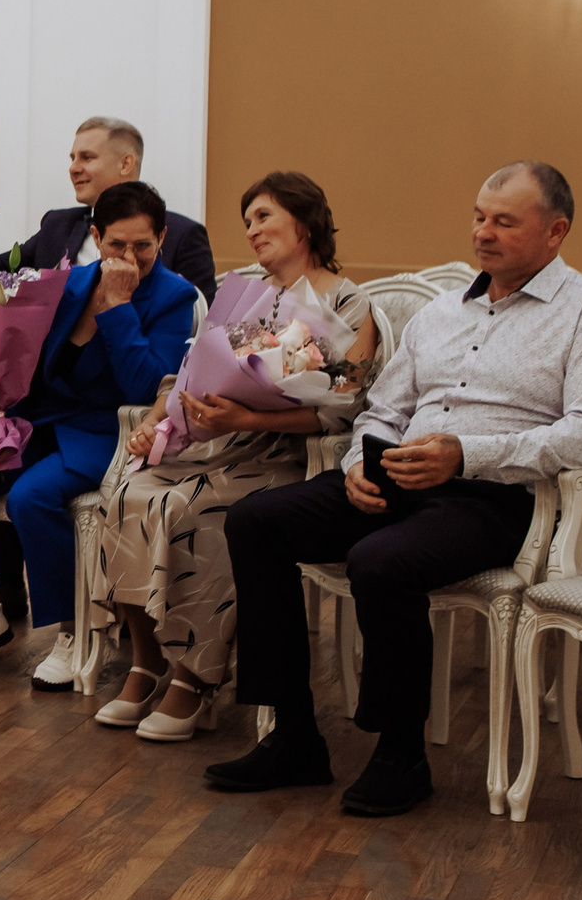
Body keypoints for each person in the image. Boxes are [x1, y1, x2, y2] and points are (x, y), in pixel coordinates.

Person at [204, 161, 582, 817]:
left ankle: (400, 752)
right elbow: (382, 407)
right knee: (256, 520)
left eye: (504, 221)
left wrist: (466, 453)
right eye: (478, 216)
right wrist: (356, 462)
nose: (483, 232)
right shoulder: (442, 312)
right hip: (397, 475)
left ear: (556, 231)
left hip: (496, 496)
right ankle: (292, 734)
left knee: (382, 560)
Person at [92, 172, 375, 741]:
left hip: (289, 453)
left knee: (190, 507)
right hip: (217, 440)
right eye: (247, 221)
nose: (252, 230)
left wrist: (246, 418)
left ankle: (196, 676)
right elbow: (194, 370)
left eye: (264, 216)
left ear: (305, 219)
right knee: (128, 493)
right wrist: (156, 420)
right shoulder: (245, 293)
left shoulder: (349, 301)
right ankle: (146, 664)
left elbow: (344, 402)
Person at [0, 182, 198, 690]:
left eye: (143, 245)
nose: (130, 257)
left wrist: (119, 307)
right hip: (40, 423)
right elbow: (21, 360)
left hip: (108, 431)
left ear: (161, 238)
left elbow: (149, 388)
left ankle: (71, 631)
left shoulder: (174, 296)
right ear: (96, 237)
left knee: (33, 496)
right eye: (117, 245)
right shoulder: (67, 284)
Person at [0, 117, 217, 302]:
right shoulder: (57, 225)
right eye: (72, 158)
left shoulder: (184, 235)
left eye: (87, 157)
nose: (74, 168)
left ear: (126, 163)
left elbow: (200, 324)